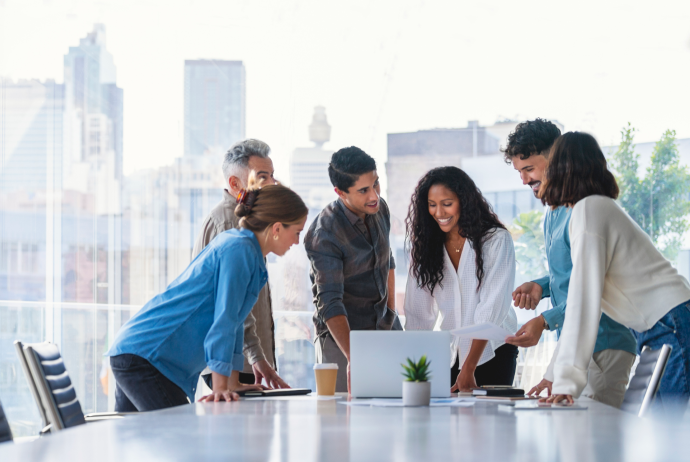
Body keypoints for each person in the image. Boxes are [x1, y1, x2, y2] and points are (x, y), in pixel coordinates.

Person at [106, 182, 308, 410]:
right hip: (147, 356)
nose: (297, 242)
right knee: (175, 439)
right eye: (297, 232)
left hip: (139, 352)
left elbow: (235, 325)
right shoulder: (239, 250)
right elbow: (224, 321)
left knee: (134, 440)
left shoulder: (248, 251)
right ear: (277, 228)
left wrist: (232, 383)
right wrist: (220, 387)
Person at [536, 132, 690, 412]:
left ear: (559, 169)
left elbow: (583, 301)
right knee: (661, 430)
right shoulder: (595, 207)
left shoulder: (589, 210)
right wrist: (557, 376)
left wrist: (566, 383)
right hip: (665, 323)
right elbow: (579, 304)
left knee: (670, 431)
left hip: (670, 322)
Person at [502, 119, 636, 408]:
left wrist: (544, 320)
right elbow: (571, 274)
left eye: (530, 169)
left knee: (594, 442)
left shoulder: (586, 209)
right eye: (519, 172)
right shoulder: (553, 212)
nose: (524, 180)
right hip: (576, 346)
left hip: (603, 344)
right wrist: (541, 286)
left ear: (558, 159)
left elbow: (592, 288)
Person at [404, 166, 518, 391]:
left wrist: (468, 369)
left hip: (492, 351)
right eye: (432, 205)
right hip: (451, 353)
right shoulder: (426, 248)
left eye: (447, 204)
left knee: (489, 422)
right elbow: (418, 316)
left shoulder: (495, 240)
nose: (439, 213)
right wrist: (415, 373)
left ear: (464, 201)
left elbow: (491, 309)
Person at [193, 139, 289, 390]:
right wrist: (256, 356)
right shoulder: (228, 224)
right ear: (235, 184)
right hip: (236, 364)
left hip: (247, 361)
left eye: (273, 176)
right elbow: (229, 304)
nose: (273, 184)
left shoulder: (247, 220)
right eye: (263, 176)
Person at [305, 146, 400, 393]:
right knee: (342, 423)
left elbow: (387, 260)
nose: (374, 196)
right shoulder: (325, 232)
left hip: (383, 325)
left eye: (376, 184)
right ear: (340, 192)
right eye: (363, 190)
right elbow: (330, 302)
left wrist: (390, 310)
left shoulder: (380, 210)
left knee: (395, 410)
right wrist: (353, 357)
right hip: (341, 339)